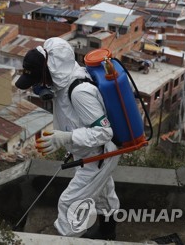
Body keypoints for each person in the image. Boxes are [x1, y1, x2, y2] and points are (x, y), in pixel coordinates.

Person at [15, 37, 120, 239]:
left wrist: (66, 137)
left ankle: (69, 238)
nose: (37, 86)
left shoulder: (80, 92)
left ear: (52, 70)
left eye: (38, 80)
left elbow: (104, 132)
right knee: (104, 195)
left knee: (70, 204)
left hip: (98, 156)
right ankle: (108, 234)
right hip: (91, 153)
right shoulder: (61, 83)